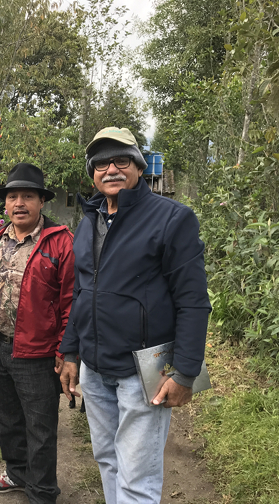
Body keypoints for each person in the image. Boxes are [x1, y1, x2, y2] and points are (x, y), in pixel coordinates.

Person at [60, 127, 211, 504]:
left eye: (121, 160)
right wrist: (70, 353)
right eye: (100, 163)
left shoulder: (171, 219)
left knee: (137, 476)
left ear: (139, 166)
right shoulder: (88, 220)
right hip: (94, 368)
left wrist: (186, 372)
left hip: (143, 372)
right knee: (108, 459)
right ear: (92, 172)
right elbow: (81, 293)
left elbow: (193, 301)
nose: (110, 169)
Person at [0, 163, 75, 504]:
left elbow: (71, 301)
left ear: (41, 202)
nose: (19, 203)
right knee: (7, 417)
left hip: (38, 353)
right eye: (13, 196)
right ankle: (18, 473)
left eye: (28, 196)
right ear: (5, 204)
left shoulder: (60, 242)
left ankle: (42, 492)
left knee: (40, 427)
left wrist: (66, 350)